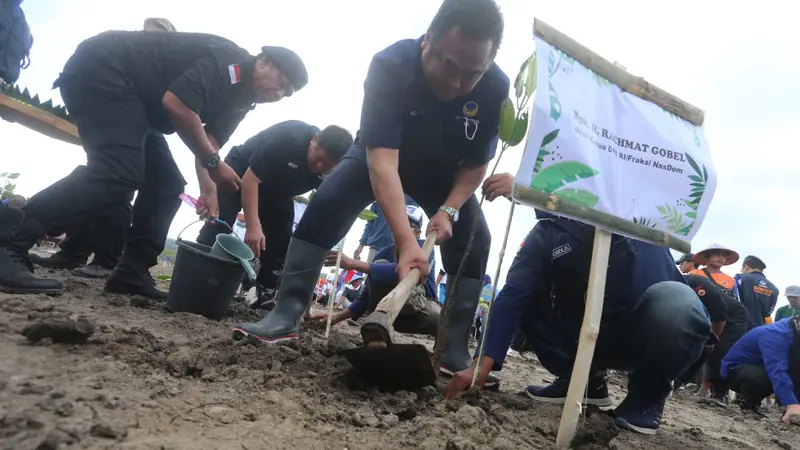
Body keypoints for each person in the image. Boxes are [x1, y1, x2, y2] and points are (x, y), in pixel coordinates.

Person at [233, 0, 509, 379]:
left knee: (476, 241)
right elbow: (383, 164)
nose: (458, 84)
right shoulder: (391, 66)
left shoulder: (494, 87)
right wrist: (405, 241)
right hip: (378, 155)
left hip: (443, 172)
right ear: (428, 39)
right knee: (327, 201)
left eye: (472, 74)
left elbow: (477, 164)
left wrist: (450, 209)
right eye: (449, 66)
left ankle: (454, 348)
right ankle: (286, 313)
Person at [0, 29, 307, 297]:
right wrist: (213, 163)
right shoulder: (229, 61)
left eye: (286, 93)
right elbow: (176, 104)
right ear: (263, 62)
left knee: (167, 185)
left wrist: (210, 191)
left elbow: (208, 142)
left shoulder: (243, 101)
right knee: (118, 171)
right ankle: (10, 240)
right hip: (103, 69)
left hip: (139, 107)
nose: (278, 93)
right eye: (280, 82)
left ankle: (131, 271)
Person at [444, 174, 710, 435]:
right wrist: (479, 367)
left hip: (640, 336)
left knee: (677, 303)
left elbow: (687, 318)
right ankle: (583, 383)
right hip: (583, 339)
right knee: (525, 290)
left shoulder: (643, 219)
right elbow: (512, 296)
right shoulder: (549, 232)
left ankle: (647, 397)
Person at [30, 18, 179, 280]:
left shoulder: (165, 67)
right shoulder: (125, 54)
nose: (147, 37)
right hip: (119, 121)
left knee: (118, 183)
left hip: (143, 128)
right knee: (100, 181)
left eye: (156, 35)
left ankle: (108, 258)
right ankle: (74, 250)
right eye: (145, 32)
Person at [196, 121, 353, 304]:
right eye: (318, 158)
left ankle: (266, 293)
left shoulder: (333, 172)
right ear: (314, 139)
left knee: (281, 237)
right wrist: (253, 226)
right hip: (240, 174)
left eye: (326, 165)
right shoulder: (288, 138)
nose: (319, 166)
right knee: (219, 223)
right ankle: (198, 274)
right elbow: (250, 180)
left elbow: (329, 207)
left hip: (278, 191)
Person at [311, 206, 441, 336]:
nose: (398, 228)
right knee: (380, 265)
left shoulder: (425, 249)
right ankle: (377, 333)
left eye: (407, 224)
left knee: (438, 319)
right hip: (385, 317)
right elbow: (366, 296)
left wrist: (353, 263)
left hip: (419, 314)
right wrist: (335, 318)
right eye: (395, 222)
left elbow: (402, 273)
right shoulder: (382, 253)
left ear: (417, 233)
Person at [677, 274, 749, 406]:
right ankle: (678, 380)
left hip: (733, 316)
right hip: (706, 315)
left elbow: (719, 316)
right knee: (693, 345)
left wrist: (711, 340)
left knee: (719, 350)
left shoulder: (698, 284)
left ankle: (719, 393)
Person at [721, 316, 800, 422]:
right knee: (765, 378)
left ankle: (790, 413)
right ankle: (749, 405)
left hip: (764, 368)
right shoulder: (776, 334)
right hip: (736, 370)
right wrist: (792, 404)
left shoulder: (795, 328)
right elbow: (777, 370)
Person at [354, 195, 419, 263]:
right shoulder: (377, 201)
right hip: (375, 247)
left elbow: (415, 224)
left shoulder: (410, 200)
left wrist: (415, 248)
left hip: (397, 250)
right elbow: (369, 226)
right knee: (370, 271)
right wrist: (360, 246)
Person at [735, 255, 779, 329]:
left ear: (746, 266)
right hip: (761, 329)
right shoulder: (774, 289)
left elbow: (732, 299)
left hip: (740, 327)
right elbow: (768, 313)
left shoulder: (740, 278)